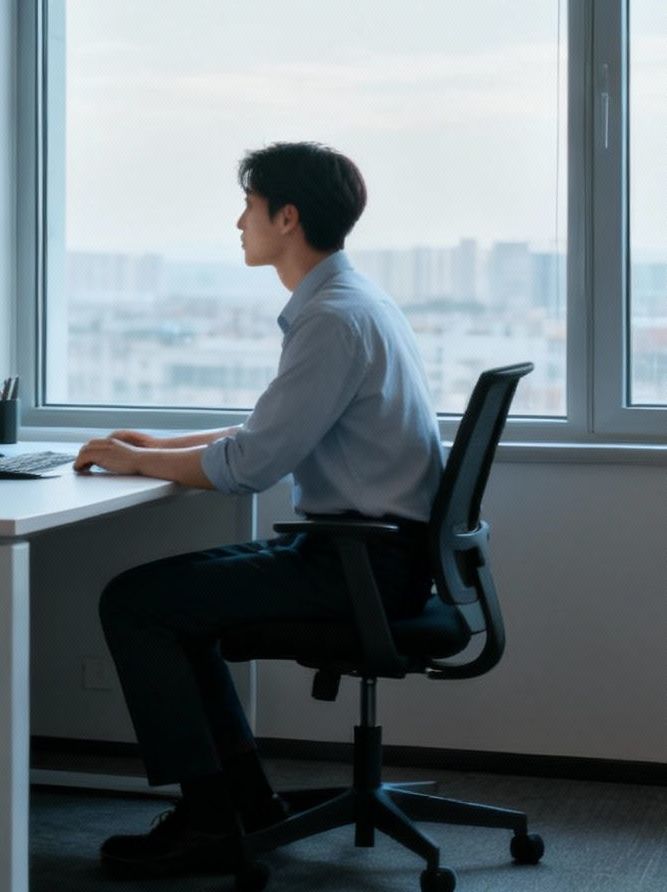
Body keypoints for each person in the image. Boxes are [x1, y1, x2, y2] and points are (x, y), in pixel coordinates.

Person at [74, 141, 445, 879]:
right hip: (369, 552)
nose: (238, 223)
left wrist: (136, 462)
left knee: (138, 604)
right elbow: (271, 431)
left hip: (361, 565)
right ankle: (246, 803)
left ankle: (210, 819)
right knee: (169, 604)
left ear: (287, 217)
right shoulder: (356, 302)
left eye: (248, 207)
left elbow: (249, 466)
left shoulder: (332, 319)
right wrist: (160, 444)